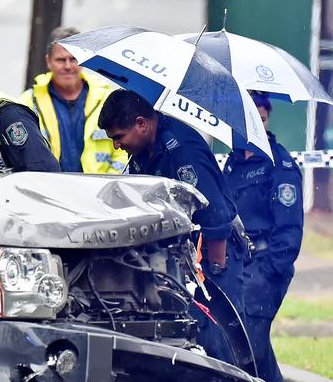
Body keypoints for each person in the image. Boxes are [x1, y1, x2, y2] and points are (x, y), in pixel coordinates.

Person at [98, 89, 243, 364]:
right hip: (183, 259)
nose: (116, 146)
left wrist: (214, 276)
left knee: (221, 344)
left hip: (215, 256)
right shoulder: (144, 149)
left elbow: (215, 217)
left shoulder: (183, 153)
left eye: (119, 137)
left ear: (141, 124)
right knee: (189, 339)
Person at [223, 92, 303, 382]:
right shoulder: (231, 163)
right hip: (236, 266)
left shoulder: (279, 165)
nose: (257, 125)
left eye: (262, 118)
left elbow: (290, 232)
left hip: (264, 265)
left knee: (252, 346)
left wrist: (268, 272)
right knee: (241, 343)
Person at [19, 26, 126, 174]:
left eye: (73, 59)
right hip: (49, 191)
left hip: (99, 191)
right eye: (61, 60)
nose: (68, 66)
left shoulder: (107, 98)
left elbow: (123, 151)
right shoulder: (29, 102)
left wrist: (109, 186)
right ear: (48, 61)